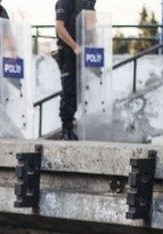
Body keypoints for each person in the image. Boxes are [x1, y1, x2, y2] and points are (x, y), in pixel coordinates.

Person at [54, 0, 95, 140]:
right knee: (69, 90)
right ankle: (66, 129)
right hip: (68, 51)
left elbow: (91, 25)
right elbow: (59, 27)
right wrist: (74, 46)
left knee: (81, 91)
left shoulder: (89, 2)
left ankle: (74, 126)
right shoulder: (66, 1)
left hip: (84, 52)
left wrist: (93, 46)